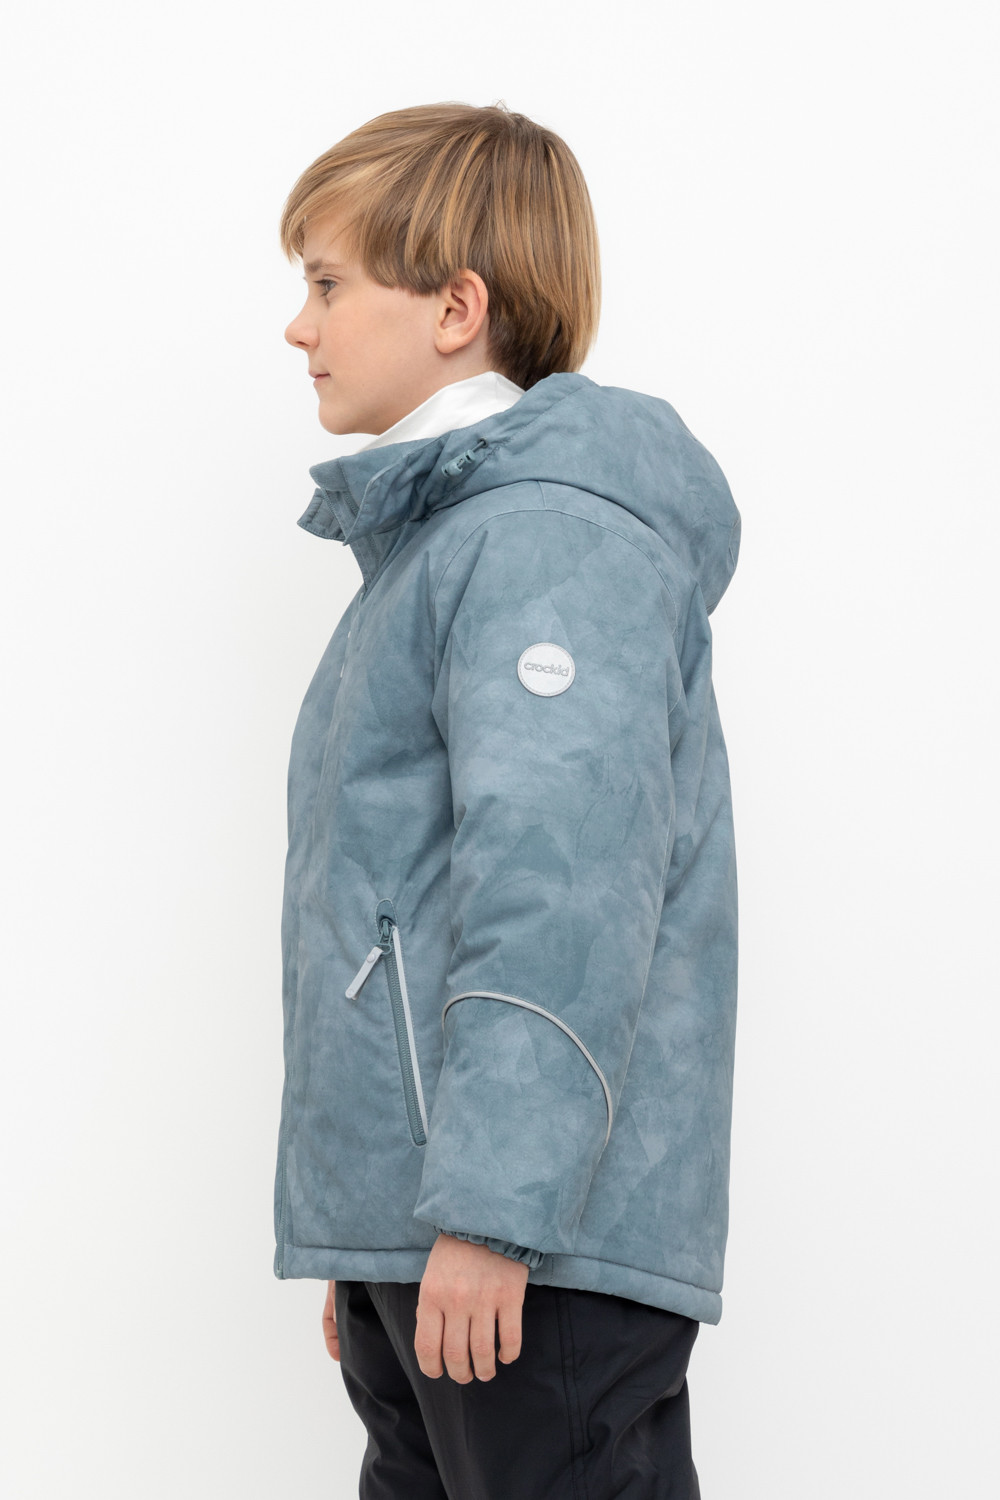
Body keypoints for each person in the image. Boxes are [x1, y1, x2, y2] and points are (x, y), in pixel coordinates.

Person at [274, 99, 741, 1500]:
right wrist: (377, 1235)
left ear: (456, 307)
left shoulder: (543, 541)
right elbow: (399, 904)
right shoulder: (446, 548)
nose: (299, 327)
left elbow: (560, 896)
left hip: (531, 1257)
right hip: (449, 1243)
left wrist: (488, 1216)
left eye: (329, 283)